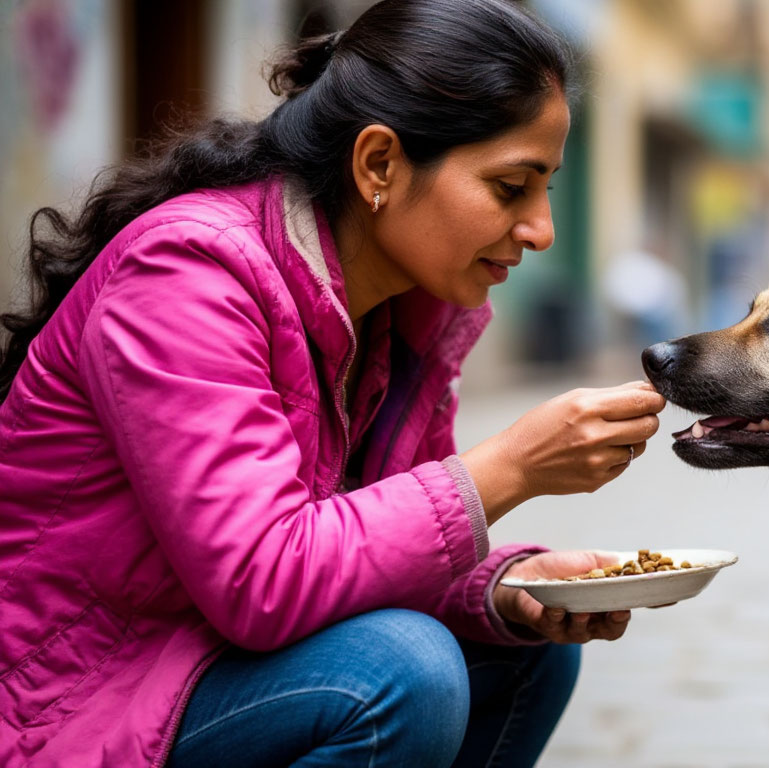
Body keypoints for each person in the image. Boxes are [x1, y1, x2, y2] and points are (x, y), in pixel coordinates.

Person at [0, 1, 666, 766]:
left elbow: (364, 551)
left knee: (527, 647)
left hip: (196, 655)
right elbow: (264, 582)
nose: (541, 229)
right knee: (401, 671)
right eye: (512, 186)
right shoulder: (188, 274)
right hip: (73, 697)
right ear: (379, 163)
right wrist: (507, 469)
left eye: (546, 188)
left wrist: (505, 584)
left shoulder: (397, 315)